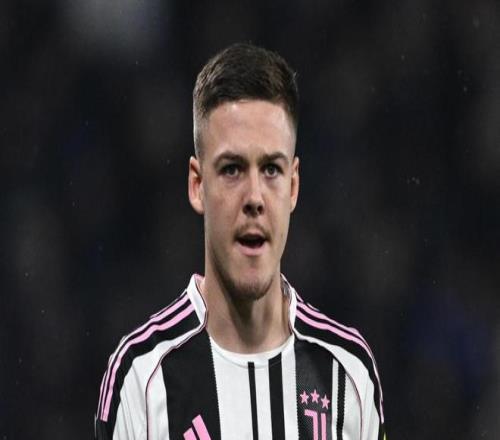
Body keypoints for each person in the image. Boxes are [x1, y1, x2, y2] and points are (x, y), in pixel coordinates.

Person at [95, 43, 385, 440]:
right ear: (197, 185)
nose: (254, 197)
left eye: (271, 169)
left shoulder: (347, 374)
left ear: (293, 187)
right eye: (232, 169)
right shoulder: (142, 379)